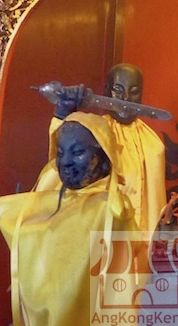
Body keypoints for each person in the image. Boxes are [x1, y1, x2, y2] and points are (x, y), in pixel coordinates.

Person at [0, 112, 154, 326]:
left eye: (78, 152)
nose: (66, 162)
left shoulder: (112, 208)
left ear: (103, 156)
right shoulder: (53, 204)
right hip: (57, 323)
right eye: (60, 153)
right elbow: (27, 239)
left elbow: (121, 279)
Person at [35, 62, 166, 235]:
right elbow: (61, 165)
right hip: (103, 233)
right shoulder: (94, 131)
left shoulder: (153, 142)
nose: (126, 98)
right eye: (118, 90)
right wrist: (63, 113)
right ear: (106, 91)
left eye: (134, 91)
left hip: (145, 236)